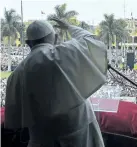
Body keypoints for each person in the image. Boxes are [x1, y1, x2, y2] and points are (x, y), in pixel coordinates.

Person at [4, 19, 107, 147]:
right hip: (79, 138)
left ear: (28, 43)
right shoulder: (63, 54)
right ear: (56, 38)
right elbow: (94, 42)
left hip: (41, 140)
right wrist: (70, 27)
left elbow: (14, 121)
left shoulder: (15, 76)